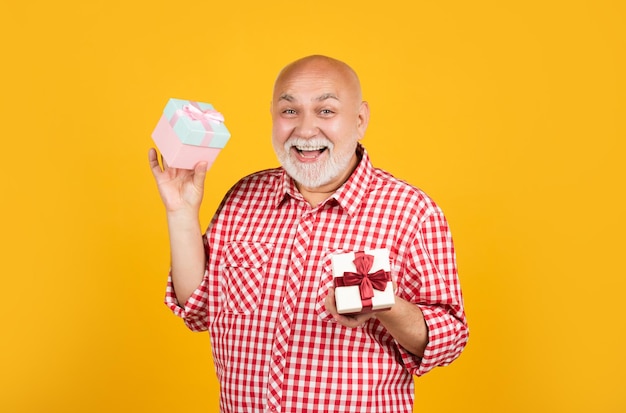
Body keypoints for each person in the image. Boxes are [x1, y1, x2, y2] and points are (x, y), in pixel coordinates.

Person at [148, 55, 468, 413]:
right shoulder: (243, 196)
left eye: (326, 111)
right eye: (289, 111)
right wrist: (180, 212)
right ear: (272, 116)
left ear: (360, 120)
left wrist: (386, 305)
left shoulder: (412, 211)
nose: (305, 129)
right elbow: (198, 306)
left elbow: (449, 340)